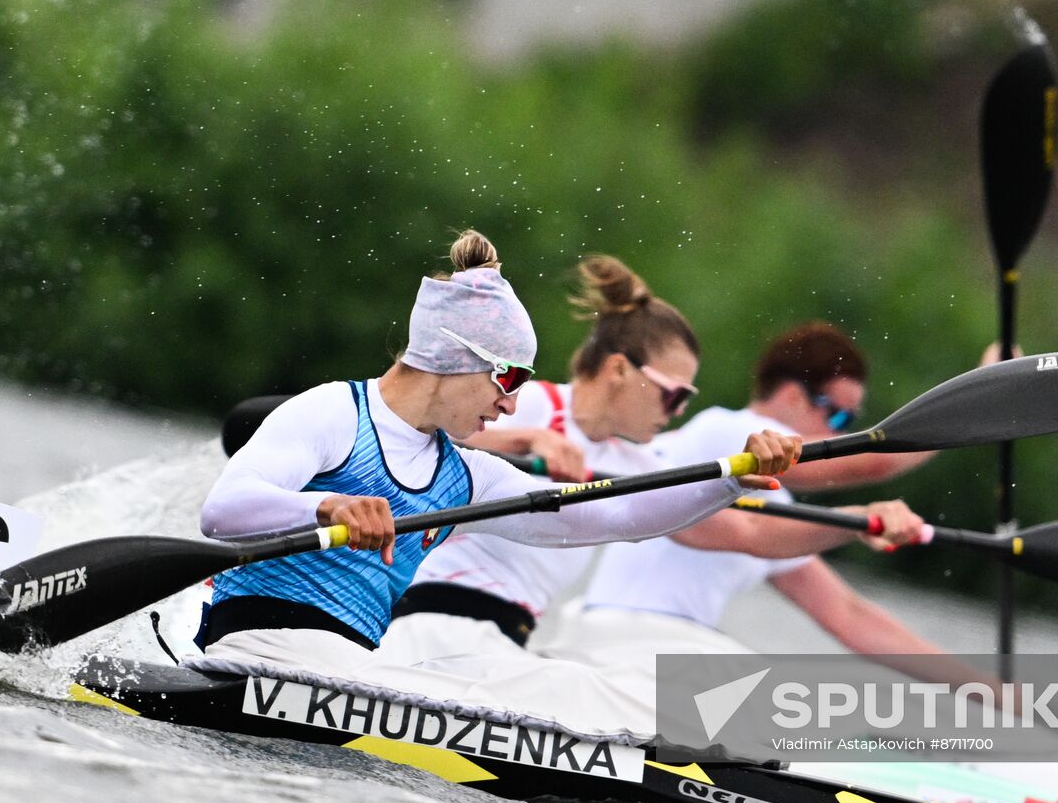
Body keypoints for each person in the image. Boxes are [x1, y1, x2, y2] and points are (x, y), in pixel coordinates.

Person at [193, 230, 802, 685]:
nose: (513, 405)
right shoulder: (333, 411)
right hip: (253, 649)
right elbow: (222, 511)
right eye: (508, 379)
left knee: (567, 680)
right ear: (457, 359)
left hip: (345, 671)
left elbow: (613, 518)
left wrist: (733, 478)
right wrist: (327, 505)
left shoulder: (469, 478)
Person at [376, 259, 927, 667]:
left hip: (505, 643)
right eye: (672, 394)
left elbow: (747, 532)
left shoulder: (634, 463)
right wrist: (524, 442)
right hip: (430, 622)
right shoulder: (525, 404)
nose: (680, 411)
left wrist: (845, 520)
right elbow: (406, 442)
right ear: (619, 370)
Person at [539, 322, 1003, 693]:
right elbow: (871, 463)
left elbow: (849, 616)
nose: (841, 433)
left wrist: (989, 691)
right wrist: (983, 399)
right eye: (838, 417)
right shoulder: (727, 433)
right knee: (800, 705)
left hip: (637, 646)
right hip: (630, 638)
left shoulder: (773, 507)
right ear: (792, 397)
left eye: (850, 423)